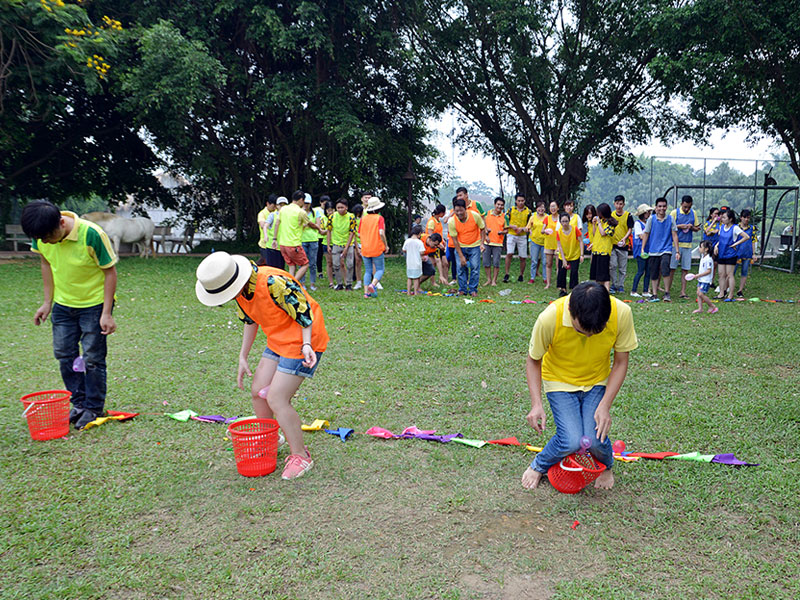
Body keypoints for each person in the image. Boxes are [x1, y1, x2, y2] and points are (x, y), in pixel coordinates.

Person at [195, 252, 328, 480]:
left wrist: (306, 345)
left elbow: (304, 312)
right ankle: (271, 437)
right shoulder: (240, 291)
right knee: (258, 390)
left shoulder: (273, 282)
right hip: (278, 340)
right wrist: (242, 356)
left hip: (304, 340)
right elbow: (250, 320)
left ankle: (301, 455)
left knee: (276, 398)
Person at [521, 281, 638, 491]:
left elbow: (620, 362)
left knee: (594, 439)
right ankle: (539, 465)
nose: (588, 337)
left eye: (595, 332)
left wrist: (605, 406)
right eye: (581, 331)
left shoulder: (622, 313)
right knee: (572, 441)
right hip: (559, 381)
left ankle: (606, 466)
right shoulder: (550, 317)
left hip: (596, 381)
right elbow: (533, 360)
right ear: (570, 311)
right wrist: (536, 403)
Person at [21, 200, 118, 430]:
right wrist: (47, 302)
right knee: (65, 355)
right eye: (40, 239)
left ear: (62, 223)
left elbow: (110, 272)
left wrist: (106, 313)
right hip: (63, 306)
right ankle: (78, 403)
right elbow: (46, 263)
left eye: (47, 237)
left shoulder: (92, 234)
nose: (44, 242)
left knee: (92, 358)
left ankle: (93, 407)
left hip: (93, 305)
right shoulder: (41, 233)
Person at [273, 190, 321, 281]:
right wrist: (319, 229)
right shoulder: (301, 212)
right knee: (305, 264)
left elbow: (277, 224)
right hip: (294, 245)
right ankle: (293, 283)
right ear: (301, 200)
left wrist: (274, 239)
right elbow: (310, 224)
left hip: (283, 244)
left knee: (291, 265)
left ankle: (289, 283)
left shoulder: (283, 209)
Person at [640, 198, 679, 302]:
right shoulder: (651, 219)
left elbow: (674, 235)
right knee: (654, 272)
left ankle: (667, 293)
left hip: (666, 249)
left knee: (665, 268)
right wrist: (643, 248)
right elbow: (646, 234)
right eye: (660, 206)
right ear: (656, 208)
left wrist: (677, 251)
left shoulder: (670, 219)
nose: (662, 208)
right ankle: (654, 294)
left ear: (666, 207)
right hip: (653, 250)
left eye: (664, 206)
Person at [448, 197, 486, 296]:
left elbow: (482, 228)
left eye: (461, 210)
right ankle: (463, 289)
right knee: (460, 268)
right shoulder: (452, 221)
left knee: (474, 267)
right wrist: (461, 256)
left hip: (474, 245)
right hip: (460, 246)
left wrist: (482, 243)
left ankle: (473, 289)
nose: (459, 213)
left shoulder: (475, 216)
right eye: (456, 211)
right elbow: (455, 240)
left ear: (465, 209)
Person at [669, 195, 700, 299]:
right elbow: (668, 226)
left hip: (688, 245)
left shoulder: (694, 213)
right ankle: (667, 290)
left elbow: (697, 228)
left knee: (685, 269)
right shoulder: (674, 213)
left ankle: (683, 292)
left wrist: (692, 228)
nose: (687, 209)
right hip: (675, 245)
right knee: (672, 268)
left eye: (689, 207)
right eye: (685, 207)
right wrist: (679, 226)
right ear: (681, 204)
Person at [714, 209, 750, 301]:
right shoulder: (722, 227)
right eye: (722, 218)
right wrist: (716, 246)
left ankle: (730, 295)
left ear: (730, 219)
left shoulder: (735, 228)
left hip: (730, 254)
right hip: (721, 253)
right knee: (721, 274)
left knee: (729, 275)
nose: (722, 219)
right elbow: (720, 239)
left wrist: (735, 244)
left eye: (724, 217)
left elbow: (746, 237)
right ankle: (721, 293)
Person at [359, 196, 389, 298]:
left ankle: (366, 293)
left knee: (367, 270)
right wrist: (386, 245)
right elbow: (381, 232)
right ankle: (373, 284)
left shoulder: (363, 219)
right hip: (376, 247)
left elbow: (359, 234)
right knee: (380, 269)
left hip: (365, 248)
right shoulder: (379, 218)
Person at [326, 198, 357, 290]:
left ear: (346, 207)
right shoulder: (332, 217)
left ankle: (349, 284)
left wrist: (346, 248)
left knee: (350, 264)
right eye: (338, 207)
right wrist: (328, 245)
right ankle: (339, 284)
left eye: (342, 207)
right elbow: (329, 230)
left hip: (348, 244)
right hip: (336, 244)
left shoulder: (351, 217)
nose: (340, 209)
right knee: (336, 265)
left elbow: (352, 232)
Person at [503, 193, 531, 283]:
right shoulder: (511, 210)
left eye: (522, 201)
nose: (520, 202)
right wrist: (512, 226)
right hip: (511, 234)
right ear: (516, 201)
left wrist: (522, 229)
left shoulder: (528, 212)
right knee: (509, 253)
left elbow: (530, 225)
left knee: (523, 256)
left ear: (525, 201)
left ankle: (521, 275)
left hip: (522, 235)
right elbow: (504, 221)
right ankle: (507, 273)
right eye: (519, 201)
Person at [589, 203, 617, 291]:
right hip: (596, 250)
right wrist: (594, 224)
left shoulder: (610, 223)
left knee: (604, 275)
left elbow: (603, 233)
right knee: (596, 274)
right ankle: (597, 291)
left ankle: (606, 292)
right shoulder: (600, 222)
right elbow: (595, 234)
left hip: (604, 251)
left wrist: (599, 223)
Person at [609, 195, 633, 294]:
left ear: (624, 204)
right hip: (613, 245)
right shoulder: (611, 215)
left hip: (623, 245)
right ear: (614, 204)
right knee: (612, 265)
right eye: (617, 203)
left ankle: (621, 285)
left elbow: (630, 228)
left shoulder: (628, 215)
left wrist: (624, 238)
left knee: (622, 268)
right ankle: (614, 284)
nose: (619, 206)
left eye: (621, 204)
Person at [555, 212, 584, 296]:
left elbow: (581, 241)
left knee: (574, 272)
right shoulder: (559, 232)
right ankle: (563, 290)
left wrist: (581, 254)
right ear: (560, 222)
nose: (564, 223)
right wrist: (564, 260)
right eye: (563, 221)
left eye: (566, 221)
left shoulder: (575, 229)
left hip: (574, 254)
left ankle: (574, 290)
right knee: (561, 272)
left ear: (569, 221)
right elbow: (559, 246)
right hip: (563, 254)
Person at [483, 197, 507, 286]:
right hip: (487, 242)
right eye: (498, 204)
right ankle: (488, 279)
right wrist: (486, 234)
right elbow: (482, 226)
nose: (500, 207)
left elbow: (507, 230)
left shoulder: (505, 216)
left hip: (498, 242)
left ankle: (494, 280)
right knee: (486, 262)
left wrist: (502, 232)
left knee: (496, 262)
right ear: (494, 204)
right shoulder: (487, 214)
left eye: (501, 205)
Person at [688, 241, 717, 314]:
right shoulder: (703, 257)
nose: (699, 249)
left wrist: (698, 275)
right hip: (701, 279)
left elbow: (708, 271)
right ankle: (700, 308)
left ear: (706, 249)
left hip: (706, 280)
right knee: (698, 293)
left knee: (701, 294)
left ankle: (712, 306)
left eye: (700, 247)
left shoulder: (709, 259)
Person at [630, 204, 652, 297]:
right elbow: (641, 236)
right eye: (647, 212)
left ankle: (645, 291)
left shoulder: (647, 223)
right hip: (640, 251)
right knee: (640, 271)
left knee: (648, 271)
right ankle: (633, 290)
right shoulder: (638, 224)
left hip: (648, 250)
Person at [300, 194, 321, 291]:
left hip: (313, 239)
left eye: (308, 203)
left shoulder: (315, 212)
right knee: (302, 263)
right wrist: (310, 224)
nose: (306, 205)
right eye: (305, 203)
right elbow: (299, 226)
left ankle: (313, 283)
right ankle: (302, 283)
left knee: (313, 263)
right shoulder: (299, 212)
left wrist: (308, 224)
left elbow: (318, 225)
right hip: (302, 240)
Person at [426, 204, 450, 285]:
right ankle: (433, 282)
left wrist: (443, 243)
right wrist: (439, 244)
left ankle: (445, 280)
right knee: (434, 263)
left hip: (440, 245)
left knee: (445, 263)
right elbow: (431, 236)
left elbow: (440, 234)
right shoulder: (432, 221)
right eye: (444, 213)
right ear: (441, 213)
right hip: (433, 246)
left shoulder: (438, 221)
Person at [261, 196, 287, 269]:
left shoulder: (288, 216)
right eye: (280, 205)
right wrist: (266, 235)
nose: (282, 207)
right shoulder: (273, 215)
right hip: (271, 246)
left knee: (281, 268)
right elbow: (265, 226)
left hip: (282, 246)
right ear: (277, 206)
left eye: (284, 204)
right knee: (272, 268)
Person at [735, 209, 756, 297]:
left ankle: (740, 290)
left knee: (744, 271)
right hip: (736, 253)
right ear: (741, 218)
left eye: (748, 218)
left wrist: (754, 253)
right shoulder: (736, 227)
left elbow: (753, 241)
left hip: (747, 253)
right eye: (744, 217)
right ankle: (727, 288)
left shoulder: (752, 228)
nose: (746, 220)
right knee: (732, 272)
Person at [526, 201, 547, 283]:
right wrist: (529, 230)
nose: (541, 209)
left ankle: (545, 278)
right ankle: (532, 278)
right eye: (539, 207)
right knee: (534, 261)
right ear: (536, 208)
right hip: (534, 241)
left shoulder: (547, 217)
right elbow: (528, 227)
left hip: (545, 242)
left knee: (545, 261)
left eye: (542, 207)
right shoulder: (533, 216)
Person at [403, 224, 426, 295]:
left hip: (409, 262)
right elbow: (422, 252)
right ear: (419, 234)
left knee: (409, 278)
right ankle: (416, 292)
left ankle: (408, 292)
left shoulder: (407, 241)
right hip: (417, 263)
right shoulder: (419, 242)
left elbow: (404, 250)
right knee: (416, 278)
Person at [542, 200, 560, 289]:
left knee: (558, 265)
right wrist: (545, 231)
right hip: (548, 243)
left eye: (554, 206)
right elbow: (542, 230)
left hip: (558, 244)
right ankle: (548, 283)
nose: (553, 208)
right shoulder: (547, 218)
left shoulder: (561, 218)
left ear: (558, 208)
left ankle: (559, 283)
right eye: (551, 206)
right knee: (548, 263)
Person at [257, 194, 279, 265]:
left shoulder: (277, 213)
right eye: (273, 206)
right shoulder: (262, 213)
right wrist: (269, 222)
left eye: (276, 206)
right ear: (267, 204)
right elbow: (262, 225)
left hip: (275, 244)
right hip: (265, 244)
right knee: (267, 264)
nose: (275, 208)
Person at [321, 200, 336, 288]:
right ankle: (331, 282)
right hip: (326, 243)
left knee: (338, 263)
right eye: (328, 210)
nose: (330, 212)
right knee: (329, 262)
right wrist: (330, 230)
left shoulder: (337, 217)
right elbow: (322, 231)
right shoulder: (323, 218)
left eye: (332, 210)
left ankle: (340, 280)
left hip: (337, 242)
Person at [316, 195, 329, 280]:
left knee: (328, 255)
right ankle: (320, 272)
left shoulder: (330, 210)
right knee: (319, 255)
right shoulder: (316, 210)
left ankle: (332, 272)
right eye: (324, 203)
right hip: (318, 236)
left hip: (328, 235)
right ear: (320, 202)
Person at [351, 203, 364, 290]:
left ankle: (372, 281)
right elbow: (354, 235)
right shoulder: (353, 221)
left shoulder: (365, 220)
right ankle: (359, 281)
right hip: (357, 243)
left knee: (367, 263)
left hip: (365, 244)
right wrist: (357, 247)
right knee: (358, 263)